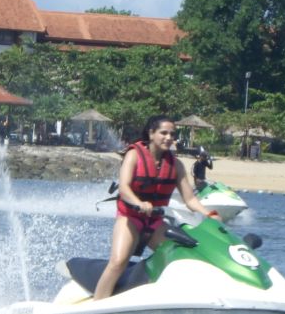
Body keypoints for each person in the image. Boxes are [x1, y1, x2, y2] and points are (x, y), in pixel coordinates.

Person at [93, 115, 221, 300]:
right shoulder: (134, 155)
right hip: (130, 218)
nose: (169, 138)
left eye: (172, 134)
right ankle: (97, 305)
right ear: (152, 134)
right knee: (118, 262)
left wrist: (209, 214)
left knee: (182, 260)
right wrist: (139, 204)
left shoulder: (175, 165)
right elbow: (124, 188)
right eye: (164, 133)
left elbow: (190, 199)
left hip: (155, 223)